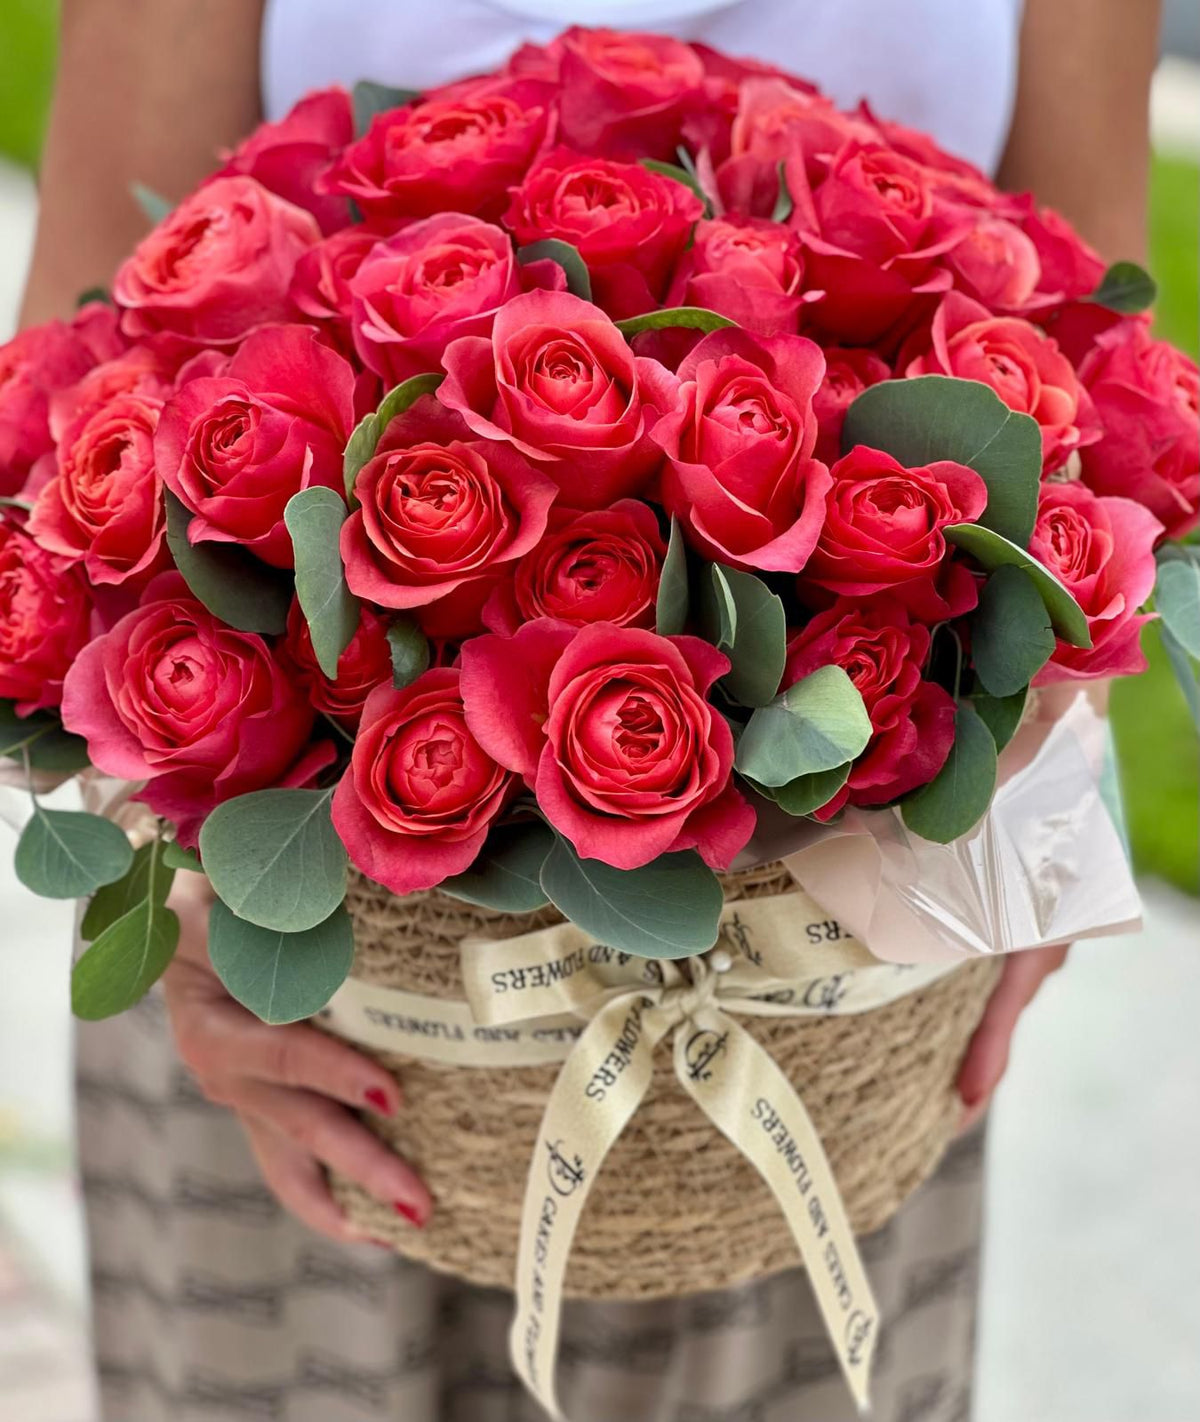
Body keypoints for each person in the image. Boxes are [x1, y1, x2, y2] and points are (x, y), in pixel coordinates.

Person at [19, 2, 1160, 1418]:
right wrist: (182, 892)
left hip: (848, 989)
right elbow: (76, 368)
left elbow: (1101, 387)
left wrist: (1040, 817)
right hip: (277, 975)